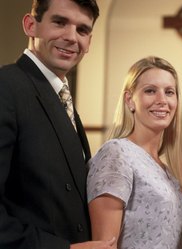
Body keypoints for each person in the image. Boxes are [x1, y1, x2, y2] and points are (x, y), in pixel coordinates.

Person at [0, 0, 116, 248]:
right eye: (60, 22)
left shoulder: (61, 97)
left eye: (82, 30)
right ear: (31, 25)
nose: (71, 37)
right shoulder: (6, 87)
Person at [87, 56, 182, 249]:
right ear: (130, 100)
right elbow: (103, 245)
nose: (162, 100)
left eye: (169, 92)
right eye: (150, 91)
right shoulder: (117, 153)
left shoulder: (168, 173)